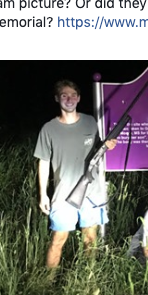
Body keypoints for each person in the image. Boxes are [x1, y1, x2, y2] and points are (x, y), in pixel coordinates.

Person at [34, 79, 116, 269]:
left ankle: (89, 279)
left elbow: (97, 149)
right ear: (57, 99)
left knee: (90, 238)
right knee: (58, 240)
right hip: (63, 195)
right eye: (64, 95)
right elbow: (44, 162)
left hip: (92, 193)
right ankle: (47, 282)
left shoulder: (90, 122)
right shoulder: (49, 129)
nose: (69, 99)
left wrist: (107, 145)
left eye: (72, 95)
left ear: (78, 98)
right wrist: (43, 194)